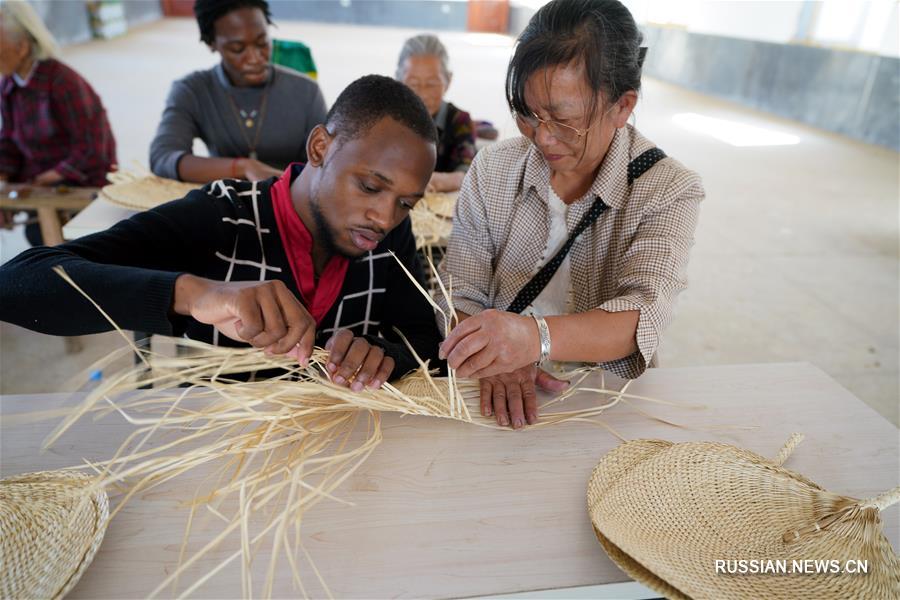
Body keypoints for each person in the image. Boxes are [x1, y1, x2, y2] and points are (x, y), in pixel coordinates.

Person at [0, 75, 442, 390]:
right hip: (223, 452)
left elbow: (421, 337)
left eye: (406, 203)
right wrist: (195, 295)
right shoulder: (223, 219)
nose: (385, 217)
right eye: (369, 186)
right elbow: (18, 283)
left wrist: (384, 353)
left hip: (341, 448)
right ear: (320, 148)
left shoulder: (389, 239)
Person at [437, 0, 704, 428]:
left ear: (622, 106)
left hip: (603, 401)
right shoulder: (493, 169)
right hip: (493, 391)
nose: (543, 137)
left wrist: (532, 340)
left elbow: (642, 315)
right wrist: (492, 354)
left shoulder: (668, 189)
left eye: (564, 120)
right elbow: (458, 291)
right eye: (527, 113)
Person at [150, 0, 327, 184]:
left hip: (292, 201)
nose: (255, 58)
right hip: (226, 203)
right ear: (212, 43)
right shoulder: (192, 91)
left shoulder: (306, 91)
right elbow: (162, 158)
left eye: (262, 43)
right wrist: (244, 167)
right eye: (237, 49)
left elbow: (327, 164)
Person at [0, 0, 117, 245]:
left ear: (22, 47)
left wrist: (50, 177)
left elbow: (93, 149)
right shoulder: (8, 85)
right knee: (37, 236)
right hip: (41, 184)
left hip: (80, 185)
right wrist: (3, 180)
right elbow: (9, 141)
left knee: (59, 242)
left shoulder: (63, 82)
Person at [396, 34, 475, 193]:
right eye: (413, 84)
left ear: (448, 80)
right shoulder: (388, 119)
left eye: (431, 84)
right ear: (398, 81)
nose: (422, 94)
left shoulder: (459, 121)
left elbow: (468, 172)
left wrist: (434, 181)